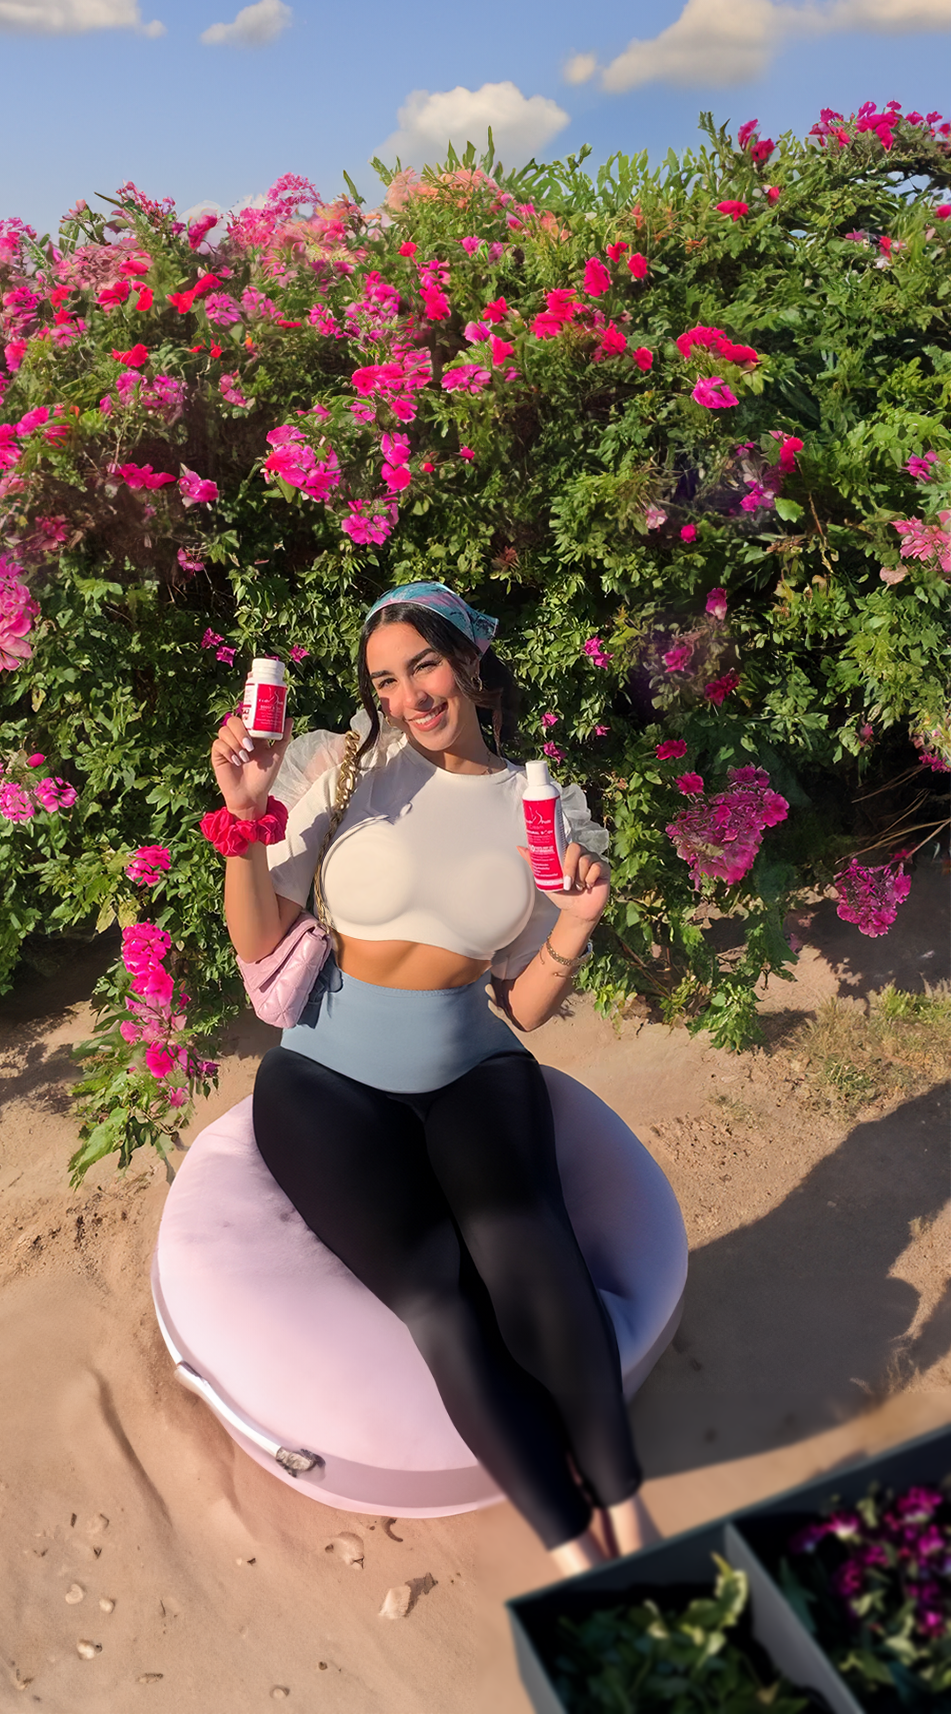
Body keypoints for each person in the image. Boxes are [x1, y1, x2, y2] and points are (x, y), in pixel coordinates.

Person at [209, 582, 658, 1573]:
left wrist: (577, 926)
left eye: (423, 666)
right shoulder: (343, 767)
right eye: (384, 680)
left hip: (472, 1070)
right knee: (439, 1299)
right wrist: (244, 817)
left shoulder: (544, 809)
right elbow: (257, 937)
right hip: (325, 1074)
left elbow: (522, 1006)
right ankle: (574, 1547)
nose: (408, 695)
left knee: (528, 1248)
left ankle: (628, 1511)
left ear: (468, 662)